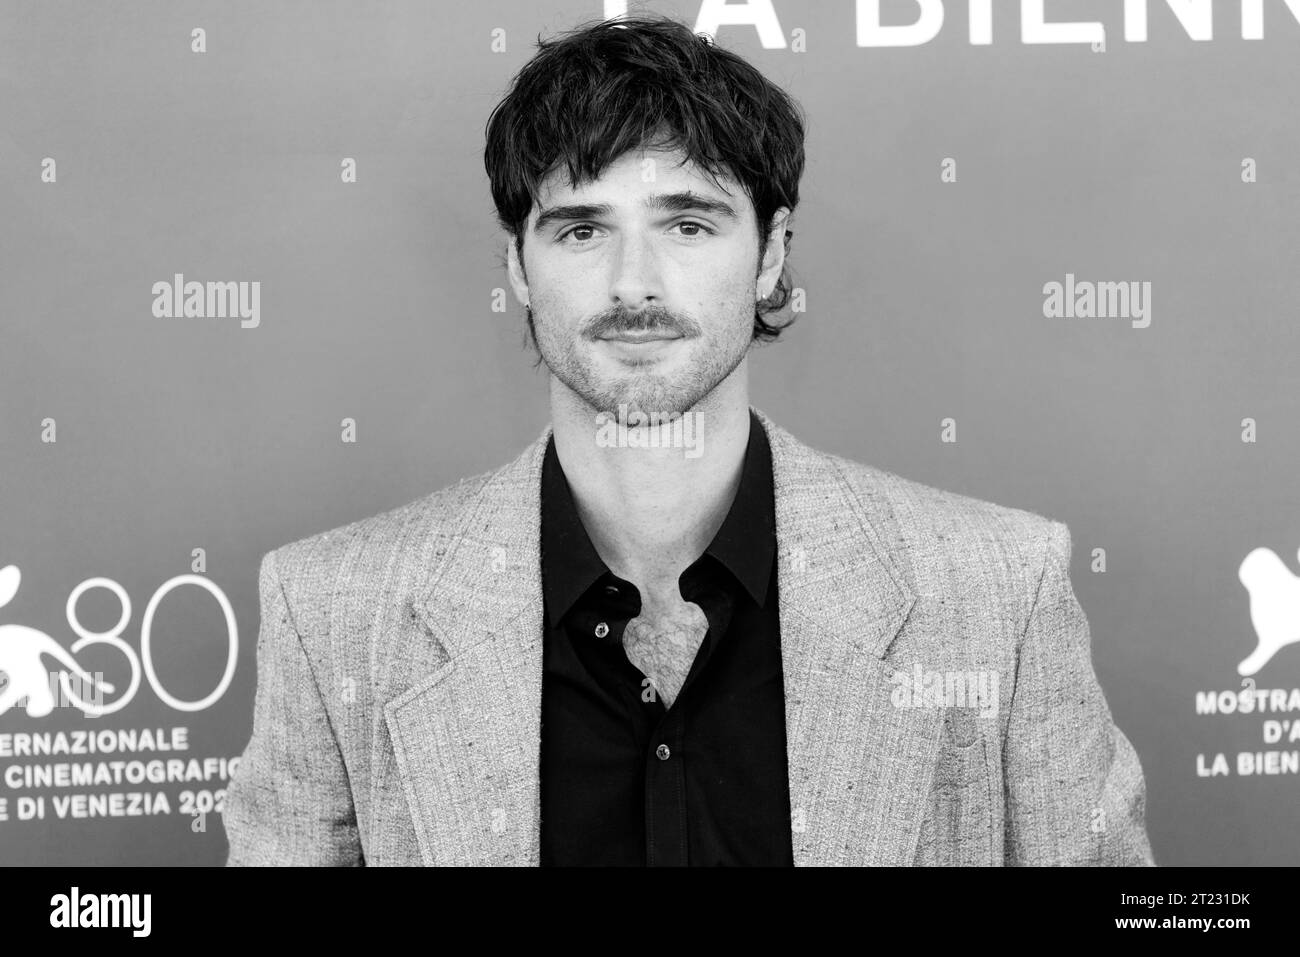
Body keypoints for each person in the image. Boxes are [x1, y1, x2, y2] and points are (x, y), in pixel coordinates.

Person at [223, 13, 1154, 866]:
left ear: (773, 254)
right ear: (517, 263)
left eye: (688, 223)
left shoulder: (997, 593)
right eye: (582, 228)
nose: (635, 282)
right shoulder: (336, 612)